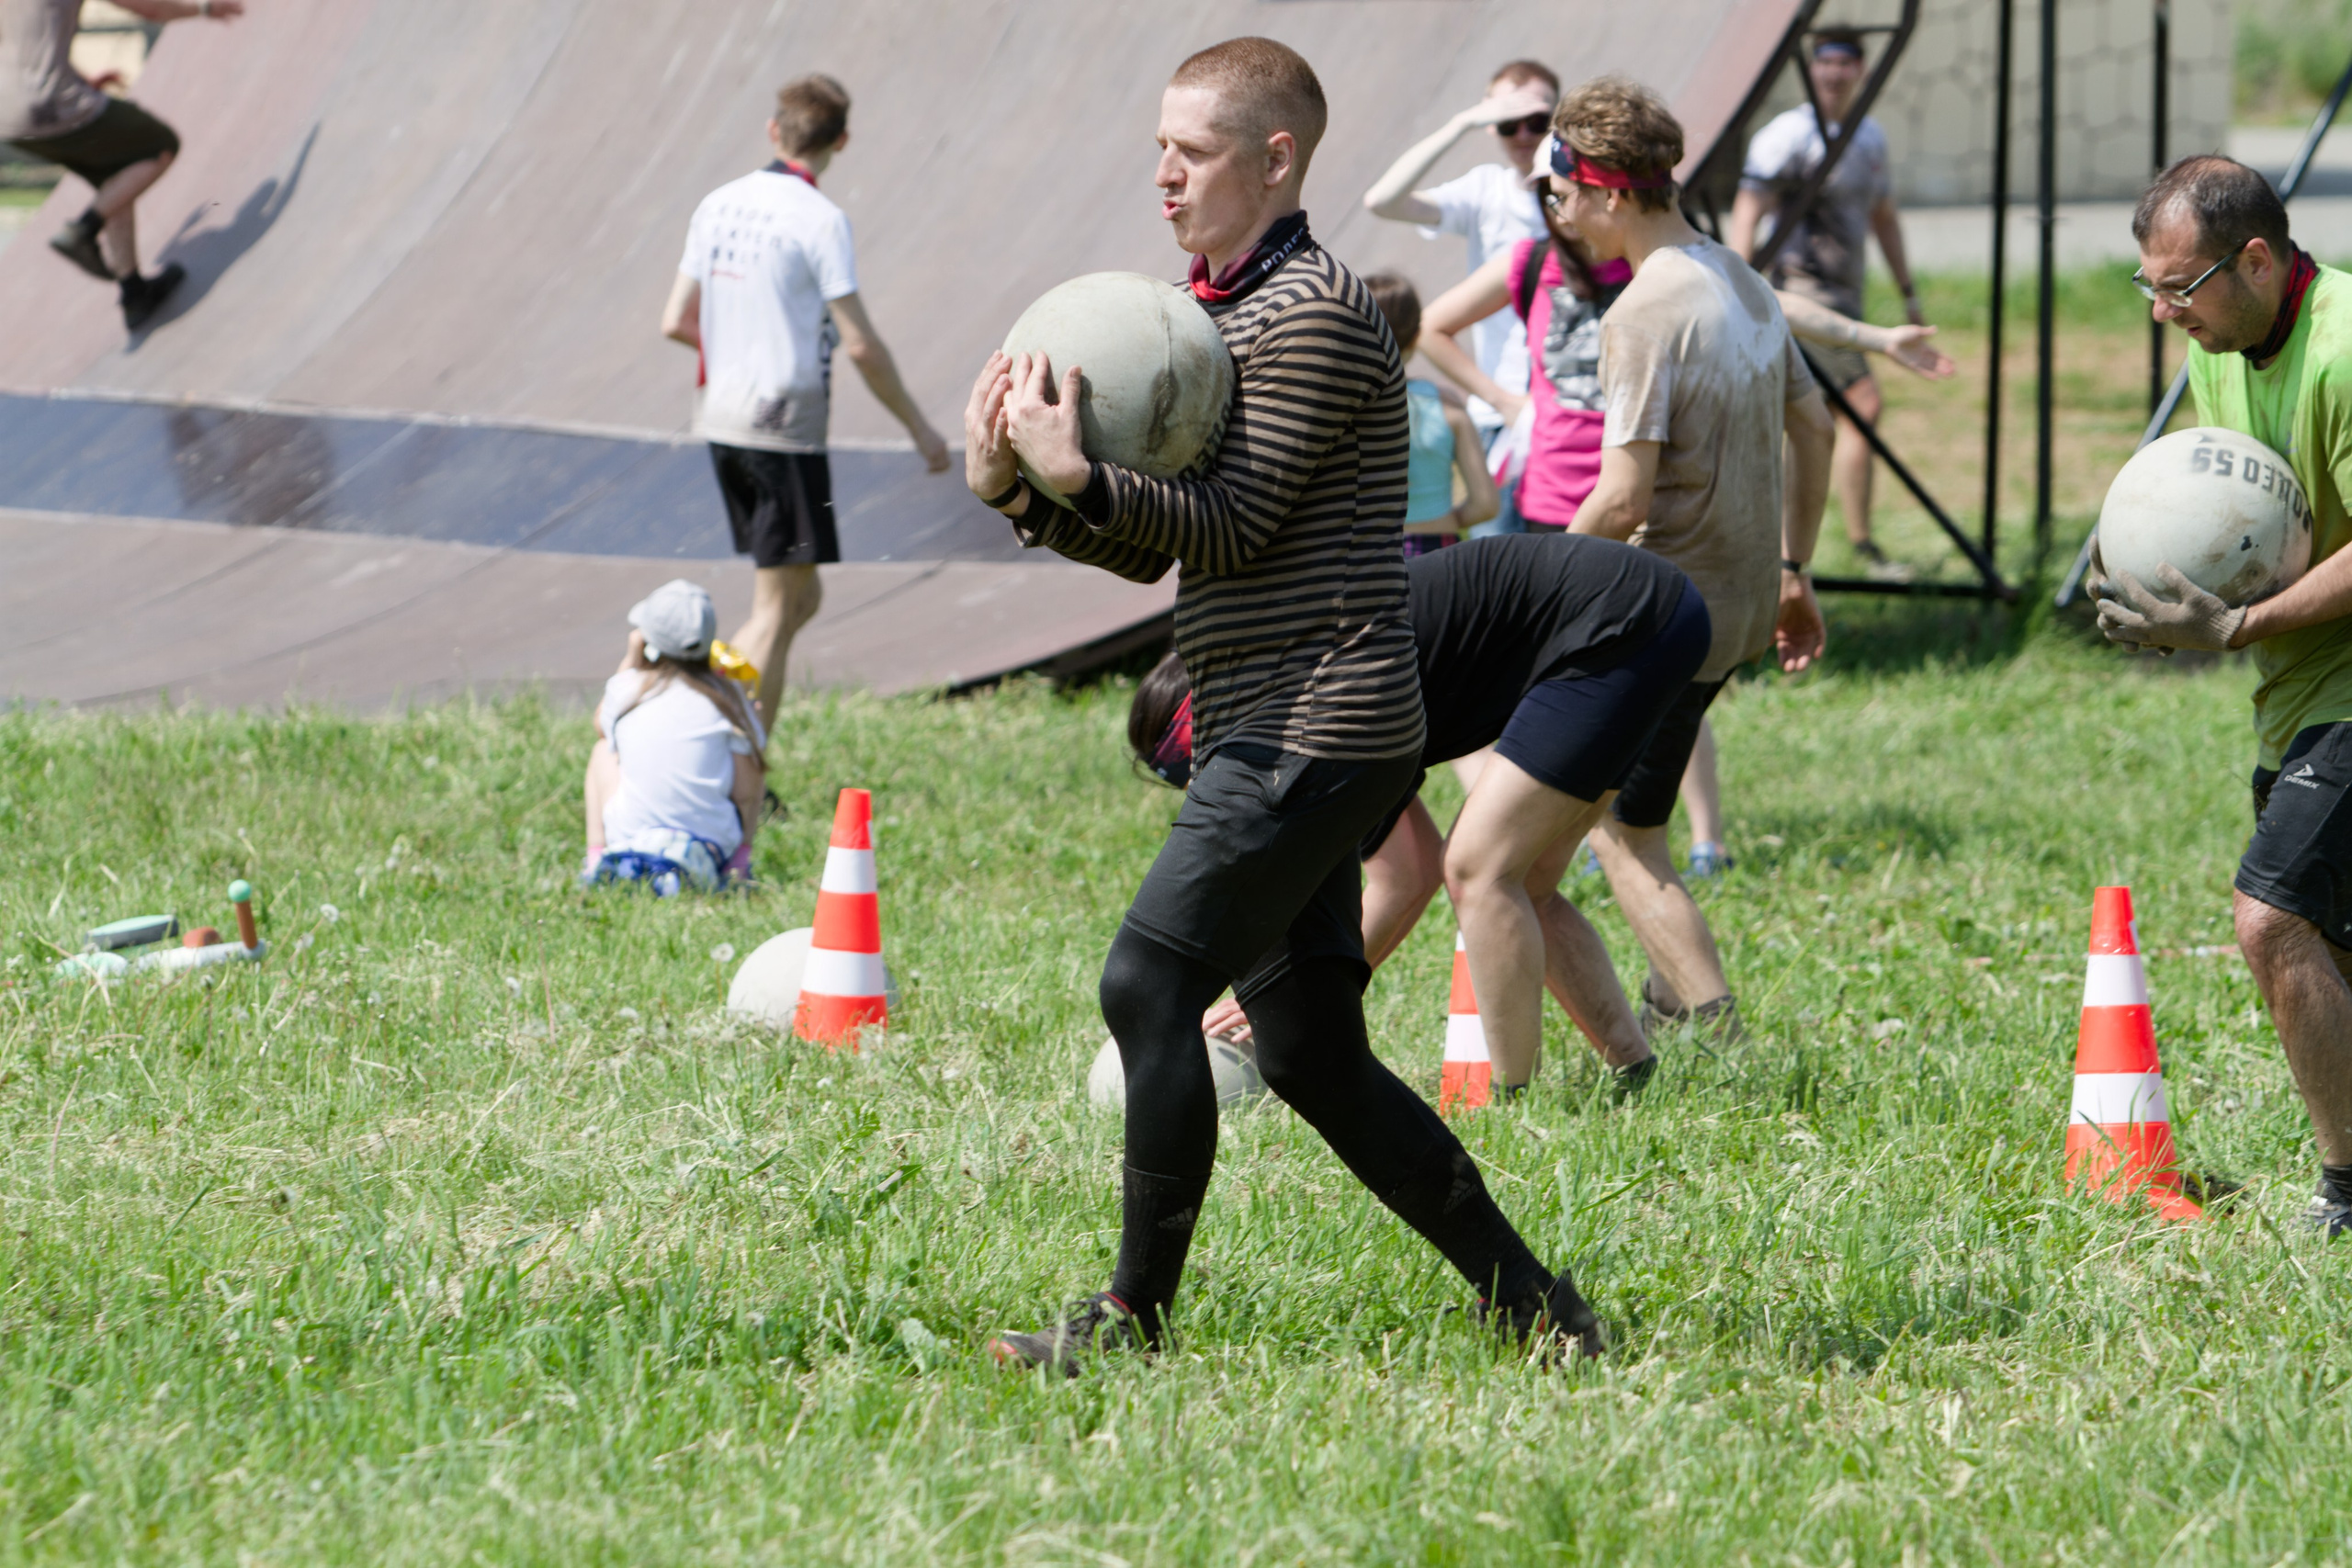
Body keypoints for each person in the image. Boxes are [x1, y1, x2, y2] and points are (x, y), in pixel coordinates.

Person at [963, 37, 1600, 1371]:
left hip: (1319, 723)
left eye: (1189, 152)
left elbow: (1234, 522)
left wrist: (1074, 477)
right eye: (1159, 148)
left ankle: (1131, 1322)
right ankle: (1535, 1302)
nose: (1163, 174)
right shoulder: (1215, 317)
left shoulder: (1305, 309)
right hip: (1275, 718)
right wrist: (1024, 493)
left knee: (1146, 980)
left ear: (1275, 158)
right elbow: (1156, 546)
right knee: (1310, 1050)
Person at [1154, 531, 1707, 1095]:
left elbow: (1399, 881)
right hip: (1651, 608)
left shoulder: (1319, 704)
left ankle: (1515, 1100)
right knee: (1530, 879)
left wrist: (1283, 1000)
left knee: (1479, 869)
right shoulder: (1301, 683)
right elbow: (1410, 869)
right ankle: (1635, 1072)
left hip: (1617, 617)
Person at [2091, 155, 2352, 1235]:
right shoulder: (2225, 345)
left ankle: (2346, 1192)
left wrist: (2234, 626)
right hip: (2297, 686)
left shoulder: (2343, 349)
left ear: (2257, 258)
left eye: (2178, 287)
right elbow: (2241, 517)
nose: (2161, 313)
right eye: (2145, 287)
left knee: (2272, 917)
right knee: (2331, 941)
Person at [1549, 76, 1834, 1040]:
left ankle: (1717, 1031)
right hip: (1740, 605)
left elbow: (1622, 497)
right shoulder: (1740, 279)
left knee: (1622, 833)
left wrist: (1530, 582)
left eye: (1564, 186)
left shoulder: (1642, 313)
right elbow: (1817, 427)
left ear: (1612, 194)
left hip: (1663, 611)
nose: (1558, 207)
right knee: (1641, 806)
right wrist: (1795, 573)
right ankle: (1671, 1000)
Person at [662, 73, 951, 731]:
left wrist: (737, 355)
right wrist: (919, 429)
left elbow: (676, 320)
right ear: (841, 141)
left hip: (721, 419)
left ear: (774, 129)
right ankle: (715, 741)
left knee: (801, 596)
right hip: (782, 429)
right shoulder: (820, 220)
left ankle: (746, 741)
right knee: (775, 604)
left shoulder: (718, 203)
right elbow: (861, 345)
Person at [1730, 27, 1926, 577]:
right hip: (1798, 294)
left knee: (1809, 417)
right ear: (1812, 70)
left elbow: (1883, 216)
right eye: (1826, 62)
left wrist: (1909, 293)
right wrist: (1740, 288)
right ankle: (1844, 549)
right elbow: (1748, 209)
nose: (1835, 73)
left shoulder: (1869, 137)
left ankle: (1792, 553)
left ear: (1862, 70)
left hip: (1845, 297)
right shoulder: (1785, 136)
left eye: (1846, 63)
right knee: (1859, 408)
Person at [1360, 59, 1558, 532]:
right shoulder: (1487, 190)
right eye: (1509, 122)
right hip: (1501, 415)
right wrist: (1462, 123)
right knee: (1500, 570)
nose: (1525, 134)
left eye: (1538, 120)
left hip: (1568, 412)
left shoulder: (1583, 193)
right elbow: (1382, 201)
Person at [5, 0, 242, 332]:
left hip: (10, 121)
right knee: (159, 145)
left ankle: (134, 292)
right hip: (50, 104)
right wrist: (203, 9)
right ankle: (83, 231)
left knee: (115, 176)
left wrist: (79, 80)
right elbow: (151, 9)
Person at [582, 580, 768, 897]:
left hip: (630, 837)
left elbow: (601, 725)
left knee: (602, 750)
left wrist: (630, 660)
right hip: (711, 845)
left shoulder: (628, 687)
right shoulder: (727, 696)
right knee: (751, 759)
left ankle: (596, 857)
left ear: (647, 640)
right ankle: (738, 865)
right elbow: (747, 792)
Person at [1362, 272, 1498, 556]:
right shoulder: (1445, 404)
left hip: (1372, 555)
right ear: (1415, 337)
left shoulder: (1343, 411)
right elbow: (1485, 504)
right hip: (1440, 548)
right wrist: (1447, 520)